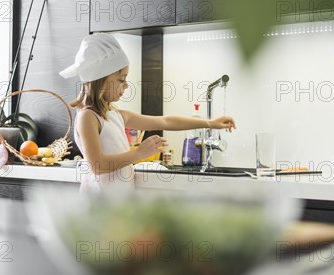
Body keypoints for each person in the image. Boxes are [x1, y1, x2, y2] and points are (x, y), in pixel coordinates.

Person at [59, 33, 236, 193]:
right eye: (121, 80)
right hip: (98, 205)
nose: (126, 85)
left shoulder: (115, 115)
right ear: (100, 80)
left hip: (117, 203)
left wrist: (210, 123)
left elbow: (165, 121)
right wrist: (139, 153)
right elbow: (97, 165)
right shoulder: (88, 117)